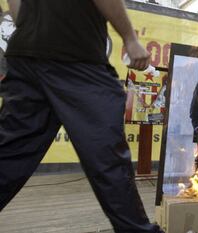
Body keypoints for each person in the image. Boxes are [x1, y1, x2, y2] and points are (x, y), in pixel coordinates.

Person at [0, 1, 163, 232]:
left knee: (10, 152)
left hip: (26, 53)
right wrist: (130, 38)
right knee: (108, 156)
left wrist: (30, 28)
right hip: (74, 54)